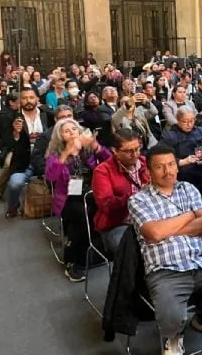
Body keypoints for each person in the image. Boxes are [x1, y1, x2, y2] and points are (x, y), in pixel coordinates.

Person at [128, 144, 202, 355]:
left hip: (200, 262)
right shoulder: (137, 200)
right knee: (172, 317)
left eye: (171, 164)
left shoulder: (188, 188)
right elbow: (154, 233)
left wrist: (168, 226)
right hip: (165, 271)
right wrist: (189, 216)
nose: (168, 171)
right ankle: (174, 337)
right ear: (149, 171)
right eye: (160, 167)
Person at [44, 118, 111, 281]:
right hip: (68, 196)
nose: (72, 133)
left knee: (108, 206)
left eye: (74, 129)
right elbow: (51, 176)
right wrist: (67, 153)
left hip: (92, 190)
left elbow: (110, 161)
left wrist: (95, 146)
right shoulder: (55, 154)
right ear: (60, 136)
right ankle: (73, 259)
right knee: (83, 216)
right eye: (66, 131)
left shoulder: (87, 148)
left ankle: (97, 248)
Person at [160, 107, 202, 237]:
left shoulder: (200, 131)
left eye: (192, 121)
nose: (189, 124)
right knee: (187, 208)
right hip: (182, 178)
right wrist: (183, 161)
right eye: (185, 121)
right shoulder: (169, 135)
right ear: (177, 121)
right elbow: (163, 157)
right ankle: (190, 231)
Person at [92, 129, 151, 253]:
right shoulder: (102, 171)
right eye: (128, 151)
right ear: (114, 150)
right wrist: (135, 196)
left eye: (137, 148)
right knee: (131, 249)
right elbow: (106, 206)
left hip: (149, 217)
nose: (135, 154)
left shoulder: (145, 162)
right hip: (118, 223)